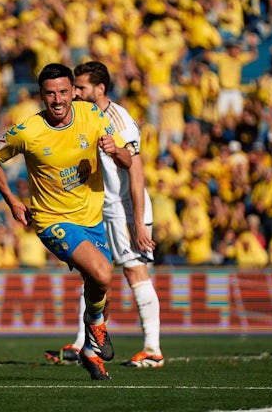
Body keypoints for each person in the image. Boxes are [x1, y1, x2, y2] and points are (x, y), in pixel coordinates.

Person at [0, 62, 132, 380]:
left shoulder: (92, 115)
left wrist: (115, 149)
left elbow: (127, 159)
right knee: (103, 273)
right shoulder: (28, 131)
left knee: (101, 284)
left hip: (92, 219)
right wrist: (12, 201)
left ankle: (90, 351)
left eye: (64, 91)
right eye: (50, 93)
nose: (58, 99)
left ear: (73, 92)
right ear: (41, 95)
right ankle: (94, 328)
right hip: (52, 220)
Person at [43, 61, 163, 369]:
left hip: (123, 209)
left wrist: (137, 222)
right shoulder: (83, 116)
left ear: (100, 89)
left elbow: (136, 173)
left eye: (81, 87)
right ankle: (85, 343)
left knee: (135, 273)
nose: (76, 93)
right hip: (98, 208)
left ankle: (152, 348)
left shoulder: (118, 119)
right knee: (93, 274)